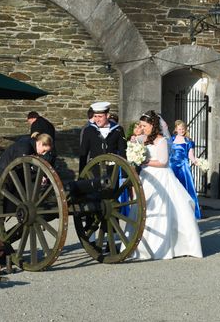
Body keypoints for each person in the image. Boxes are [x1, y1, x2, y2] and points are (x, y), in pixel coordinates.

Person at [129, 111, 202, 260]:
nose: (142, 128)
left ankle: (173, 245)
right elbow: (133, 146)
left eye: (144, 125)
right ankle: (139, 245)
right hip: (146, 177)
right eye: (141, 125)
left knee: (168, 209)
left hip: (161, 176)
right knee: (144, 208)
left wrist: (144, 162)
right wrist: (133, 145)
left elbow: (163, 162)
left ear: (152, 125)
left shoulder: (161, 141)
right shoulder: (143, 138)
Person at [0, 133, 53, 239]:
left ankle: (2, 242)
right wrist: (38, 177)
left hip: (9, 181)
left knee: (6, 213)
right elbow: (23, 168)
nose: (43, 154)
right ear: (39, 143)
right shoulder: (25, 147)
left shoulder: (29, 146)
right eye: (44, 150)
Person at [79, 101, 127, 174]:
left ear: (107, 116)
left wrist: (124, 174)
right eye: (95, 116)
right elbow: (83, 153)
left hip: (113, 171)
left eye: (100, 116)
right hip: (94, 170)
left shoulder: (118, 130)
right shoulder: (89, 130)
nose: (97, 120)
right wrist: (81, 175)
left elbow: (122, 152)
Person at [169, 120, 201, 219]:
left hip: (183, 166)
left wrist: (195, 161)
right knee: (173, 188)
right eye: (179, 129)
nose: (181, 130)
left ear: (185, 129)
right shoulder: (172, 139)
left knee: (186, 188)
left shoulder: (188, 141)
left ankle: (189, 211)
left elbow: (190, 154)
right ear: (176, 129)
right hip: (172, 166)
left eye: (183, 129)